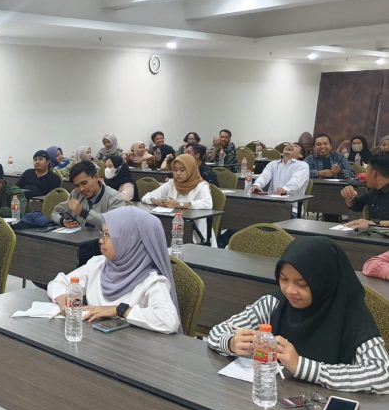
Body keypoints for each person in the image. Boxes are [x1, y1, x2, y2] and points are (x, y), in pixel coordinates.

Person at [207, 237, 389, 394]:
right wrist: (231, 342)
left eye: (302, 284)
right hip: (278, 402)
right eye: (284, 279)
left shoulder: (351, 316)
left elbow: (383, 374)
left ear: (323, 282)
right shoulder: (276, 303)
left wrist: (302, 366)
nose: (290, 291)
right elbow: (218, 331)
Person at [47, 207, 181, 334]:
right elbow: (58, 282)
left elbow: (169, 321)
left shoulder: (152, 281)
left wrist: (119, 310)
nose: (101, 240)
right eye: (102, 233)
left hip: (127, 347)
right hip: (93, 341)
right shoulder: (98, 264)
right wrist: (63, 300)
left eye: (107, 235)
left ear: (130, 241)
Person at [141, 154, 213, 241]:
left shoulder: (201, 185)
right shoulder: (171, 184)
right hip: (171, 228)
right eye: (175, 170)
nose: (178, 173)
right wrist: (158, 202)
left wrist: (179, 204)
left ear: (191, 169)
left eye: (182, 170)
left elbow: (208, 203)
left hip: (195, 233)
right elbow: (146, 197)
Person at [51, 161, 124, 230]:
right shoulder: (76, 193)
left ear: (96, 177)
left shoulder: (114, 197)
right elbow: (55, 212)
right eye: (77, 186)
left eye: (84, 183)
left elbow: (113, 224)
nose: (81, 189)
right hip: (79, 237)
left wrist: (83, 212)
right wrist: (62, 220)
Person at [340, 154, 389, 228]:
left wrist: (373, 223)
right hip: (373, 233)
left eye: (367, 169)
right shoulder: (375, 191)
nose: (365, 174)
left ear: (374, 173)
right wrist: (349, 198)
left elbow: (372, 224)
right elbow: (357, 206)